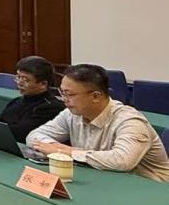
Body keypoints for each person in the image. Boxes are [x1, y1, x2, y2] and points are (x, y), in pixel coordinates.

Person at [26, 64, 169, 182]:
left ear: (95, 96)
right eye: (62, 93)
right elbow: (34, 135)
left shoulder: (130, 121)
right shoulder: (71, 114)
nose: (64, 99)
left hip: (151, 188)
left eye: (70, 94)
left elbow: (122, 160)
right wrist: (53, 146)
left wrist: (67, 152)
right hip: (106, 180)